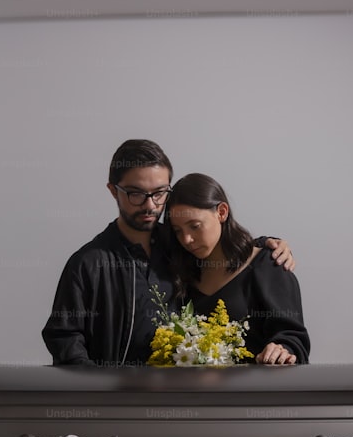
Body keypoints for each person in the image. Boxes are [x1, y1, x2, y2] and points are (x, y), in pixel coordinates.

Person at [42, 139, 295, 366]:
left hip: (184, 402)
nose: (151, 205)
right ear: (112, 191)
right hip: (118, 406)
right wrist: (101, 397)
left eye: (160, 193)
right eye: (136, 194)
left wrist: (264, 245)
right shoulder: (88, 264)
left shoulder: (181, 246)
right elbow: (64, 340)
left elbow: (223, 245)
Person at [167, 172, 309, 365]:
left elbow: (293, 336)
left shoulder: (267, 264)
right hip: (197, 393)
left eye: (195, 226)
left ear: (222, 212)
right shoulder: (182, 274)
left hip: (257, 391)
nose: (186, 239)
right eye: (178, 231)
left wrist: (282, 348)